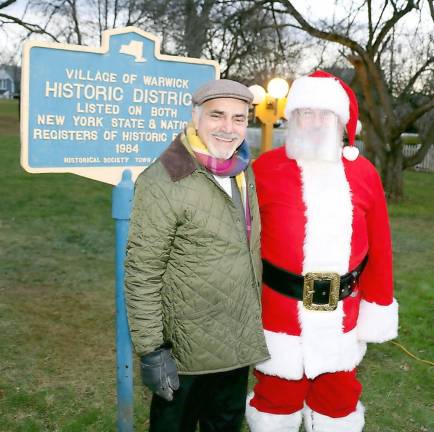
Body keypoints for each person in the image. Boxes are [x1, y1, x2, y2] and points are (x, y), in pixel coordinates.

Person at [246, 70, 399, 432]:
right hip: (277, 316)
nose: (314, 122)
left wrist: (377, 307)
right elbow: (242, 241)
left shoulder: (364, 174)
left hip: (341, 317)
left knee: (338, 402)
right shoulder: (264, 170)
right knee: (274, 402)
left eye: (324, 114)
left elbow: (381, 248)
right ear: (292, 117)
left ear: (341, 122)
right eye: (305, 113)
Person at [124, 79, 269, 432]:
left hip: (235, 343)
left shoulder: (242, 170)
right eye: (217, 115)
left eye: (238, 118)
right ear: (195, 117)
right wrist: (151, 350)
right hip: (182, 353)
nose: (228, 127)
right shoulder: (164, 180)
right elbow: (142, 272)